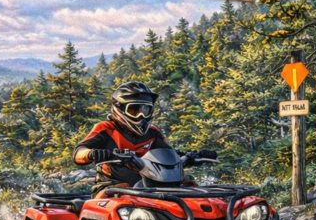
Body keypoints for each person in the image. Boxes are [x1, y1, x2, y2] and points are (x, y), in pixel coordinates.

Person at [74, 81, 215, 197]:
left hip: (152, 186)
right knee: (119, 195)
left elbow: (169, 154)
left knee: (189, 187)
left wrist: (191, 156)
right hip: (112, 188)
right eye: (135, 110)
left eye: (145, 111)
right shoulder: (105, 129)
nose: (141, 116)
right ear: (120, 109)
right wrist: (93, 153)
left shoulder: (153, 133)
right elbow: (78, 153)